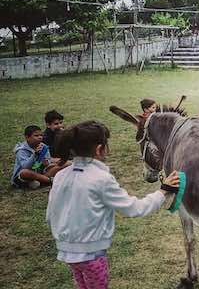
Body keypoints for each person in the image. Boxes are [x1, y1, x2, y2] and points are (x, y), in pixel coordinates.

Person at [46, 120, 180, 289]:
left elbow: (50, 214)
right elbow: (134, 209)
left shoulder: (60, 176)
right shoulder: (100, 179)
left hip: (67, 252)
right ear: (99, 149)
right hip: (91, 255)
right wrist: (163, 191)